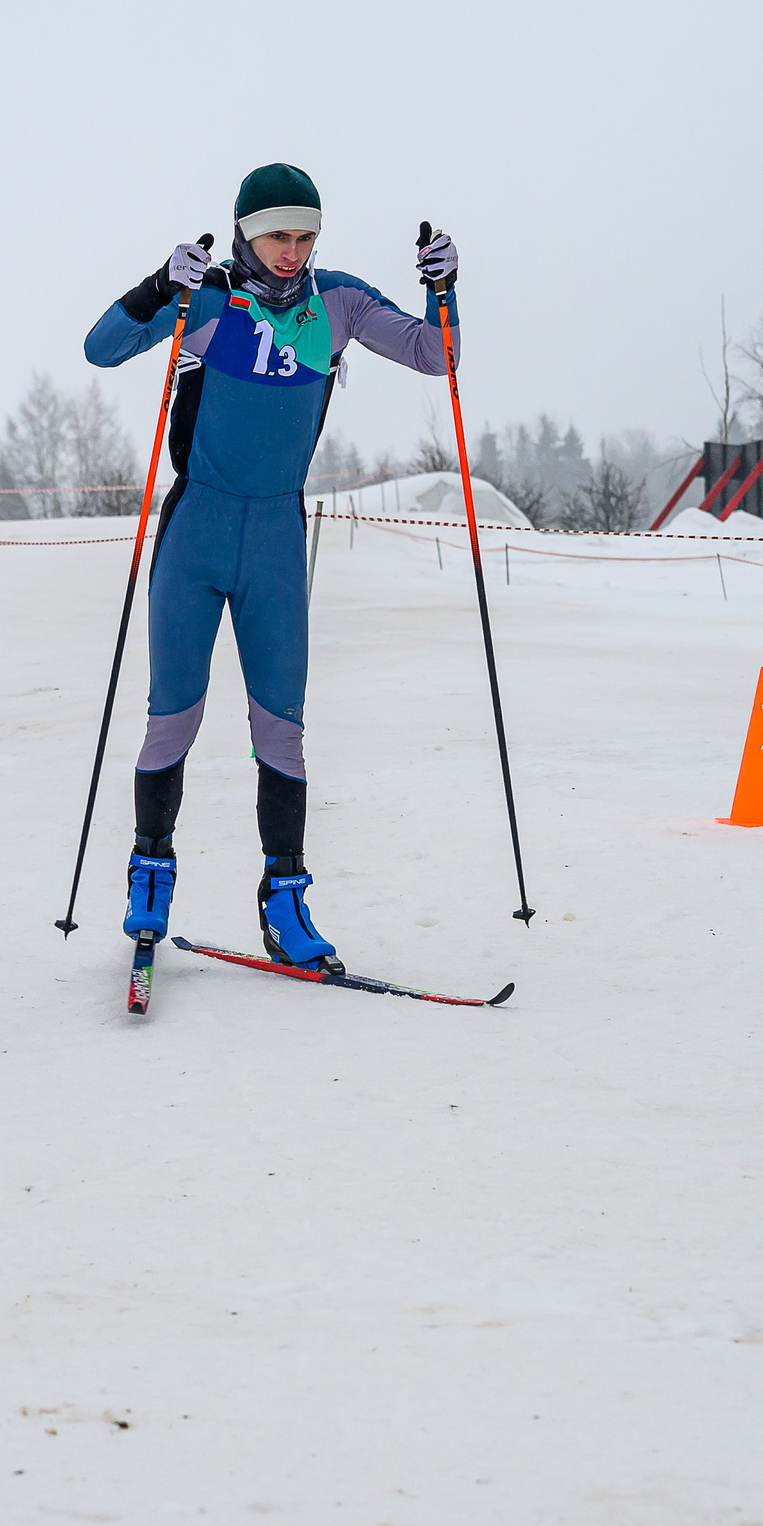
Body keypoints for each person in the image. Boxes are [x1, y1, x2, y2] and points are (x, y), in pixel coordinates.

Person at [83, 163, 459, 969]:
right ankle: (151, 870)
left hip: (278, 545)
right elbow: (102, 348)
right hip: (197, 534)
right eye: (276, 235)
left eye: (304, 235)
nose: (291, 251)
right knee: (172, 716)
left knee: (282, 732)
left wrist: (445, 288)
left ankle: (285, 900)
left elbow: (435, 358)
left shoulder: (342, 304)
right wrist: (159, 284)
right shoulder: (207, 299)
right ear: (246, 232)